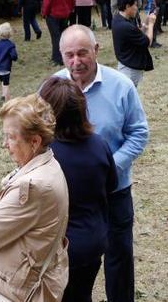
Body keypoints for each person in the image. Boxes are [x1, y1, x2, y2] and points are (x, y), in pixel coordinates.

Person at [53, 25, 148, 302]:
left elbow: (139, 132)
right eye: (69, 55)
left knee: (119, 256)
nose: (75, 61)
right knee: (72, 260)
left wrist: (109, 166)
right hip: (70, 197)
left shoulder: (121, 86)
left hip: (114, 190)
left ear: (96, 50)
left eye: (82, 53)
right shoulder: (53, 87)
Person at [0, 94, 69, 302]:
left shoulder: (32, 187)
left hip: (17, 293)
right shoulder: (47, 164)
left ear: (34, 141)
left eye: (11, 137)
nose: (5, 144)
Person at [39, 77, 117, 302]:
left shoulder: (45, 156)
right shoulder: (99, 144)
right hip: (93, 240)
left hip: (57, 249)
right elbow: (111, 186)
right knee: (82, 294)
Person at [111, 0, 154, 87]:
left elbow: (135, 34)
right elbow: (148, 42)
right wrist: (151, 24)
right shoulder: (125, 26)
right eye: (135, 5)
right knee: (129, 96)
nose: (137, 8)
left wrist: (145, 23)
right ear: (127, 6)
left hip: (126, 64)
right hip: (130, 69)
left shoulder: (118, 19)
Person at [41, 0, 75, 66]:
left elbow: (47, 0)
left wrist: (44, 12)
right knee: (63, 36)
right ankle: (65, 56)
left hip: (53, 14)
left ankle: (57, 58)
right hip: (65, 13)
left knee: (55, 36)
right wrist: (71, 8)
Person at [0, 22, 18, 101]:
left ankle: (3, 94)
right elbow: (14, 56)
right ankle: (7, 100)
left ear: (0, 34)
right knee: (6, 84)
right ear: (10, 34)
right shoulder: (10, 45)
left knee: (2, 80)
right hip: (5, 68)